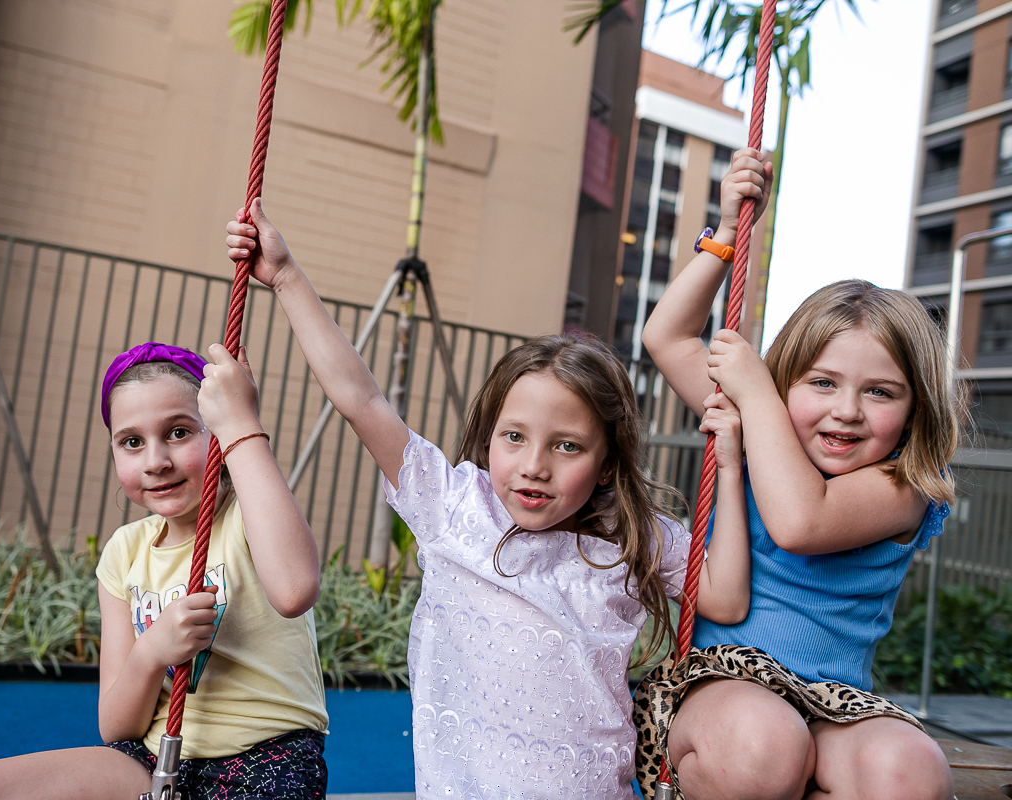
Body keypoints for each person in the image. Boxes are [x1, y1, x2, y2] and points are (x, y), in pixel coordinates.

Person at [223, 199, 748, 800]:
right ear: (491, 435)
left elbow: (725, 598)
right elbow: (360, 399)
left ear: (607, 464)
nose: (534, 466)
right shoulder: (452, 506)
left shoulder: (630, 536)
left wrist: (728, 467)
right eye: (515, 437)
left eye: (568, 446)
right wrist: (287, 275)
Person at [637, 148, 961, 800]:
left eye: (880, 392)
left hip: (833, 706)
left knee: (911, 770)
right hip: (723, 689)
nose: (847, 410)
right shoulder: (763, 430)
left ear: (914, 408)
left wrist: (757, 396)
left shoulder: (904, 488)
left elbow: (801, 521)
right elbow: (667, 338)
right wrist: (724, 235)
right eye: (822, 382)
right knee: (765, 746)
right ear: (788, 384)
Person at [0, 342, 328, 800]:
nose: (155, 461)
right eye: (132, 442)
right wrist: (151, 652)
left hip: (265, 762)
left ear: (215, 431)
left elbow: (294, 590)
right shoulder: (124, 552)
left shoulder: (248, 517)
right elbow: (115, 725)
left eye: (178, 432)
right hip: (152, 759)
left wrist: (240, 424)